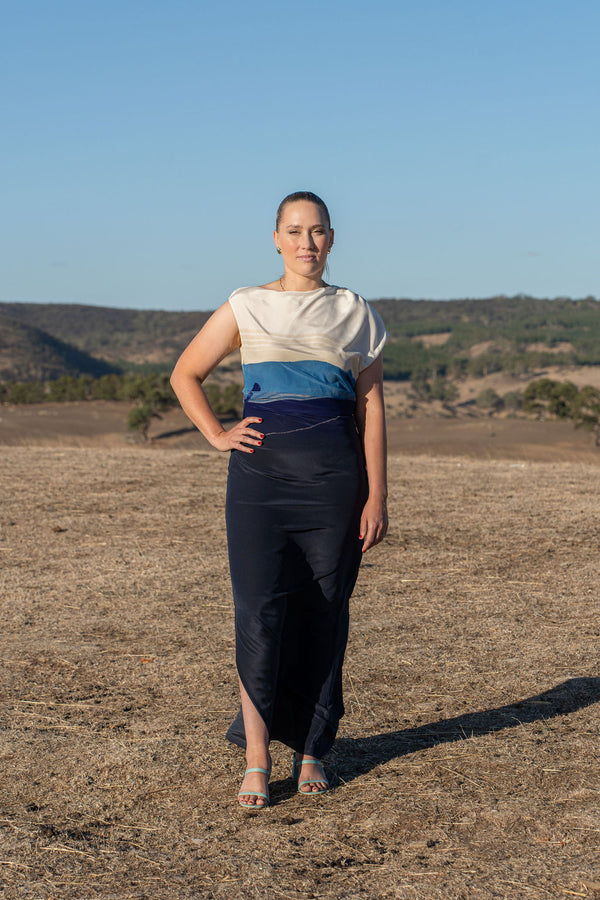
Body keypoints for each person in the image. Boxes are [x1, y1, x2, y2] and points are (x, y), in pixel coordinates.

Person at [170, 191, 388, 809]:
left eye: (318, 232)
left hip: (335, 487)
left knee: (325, 610)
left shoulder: (354, 312)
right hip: (258, 488)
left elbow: (370, 406)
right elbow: (185, 372)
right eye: (295, 231)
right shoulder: (247, 304)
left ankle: (315, 747)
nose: (307, 243)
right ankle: (258, 756)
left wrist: (377, 494)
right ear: (275, 238)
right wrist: (217, 434)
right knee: (257, 611)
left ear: (333, 238)